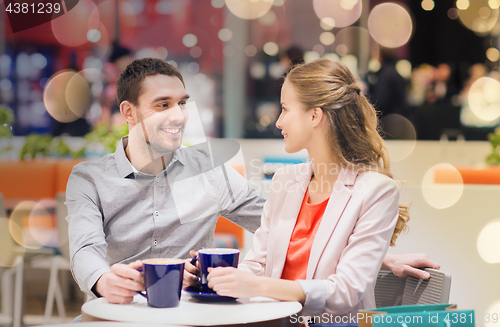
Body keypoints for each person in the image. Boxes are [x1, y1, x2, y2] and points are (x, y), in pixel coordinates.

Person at [67, 58, 439, 308]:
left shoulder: (209, 171)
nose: (179, 115)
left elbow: (292, 229)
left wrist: (378, 256)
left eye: (183, 103)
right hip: (121, 312)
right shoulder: (89, 179)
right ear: (128, 112)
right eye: (163, 104)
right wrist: (101, 280)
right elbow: (85, 250)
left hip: (192, 315)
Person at [206, 59, 429, 317]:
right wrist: (217, 279)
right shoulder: (285, 181)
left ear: (314, 115)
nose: (278, 122)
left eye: (285, 109)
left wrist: (256, 286)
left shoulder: (377, 190)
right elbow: (258, 263)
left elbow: (345, 292)